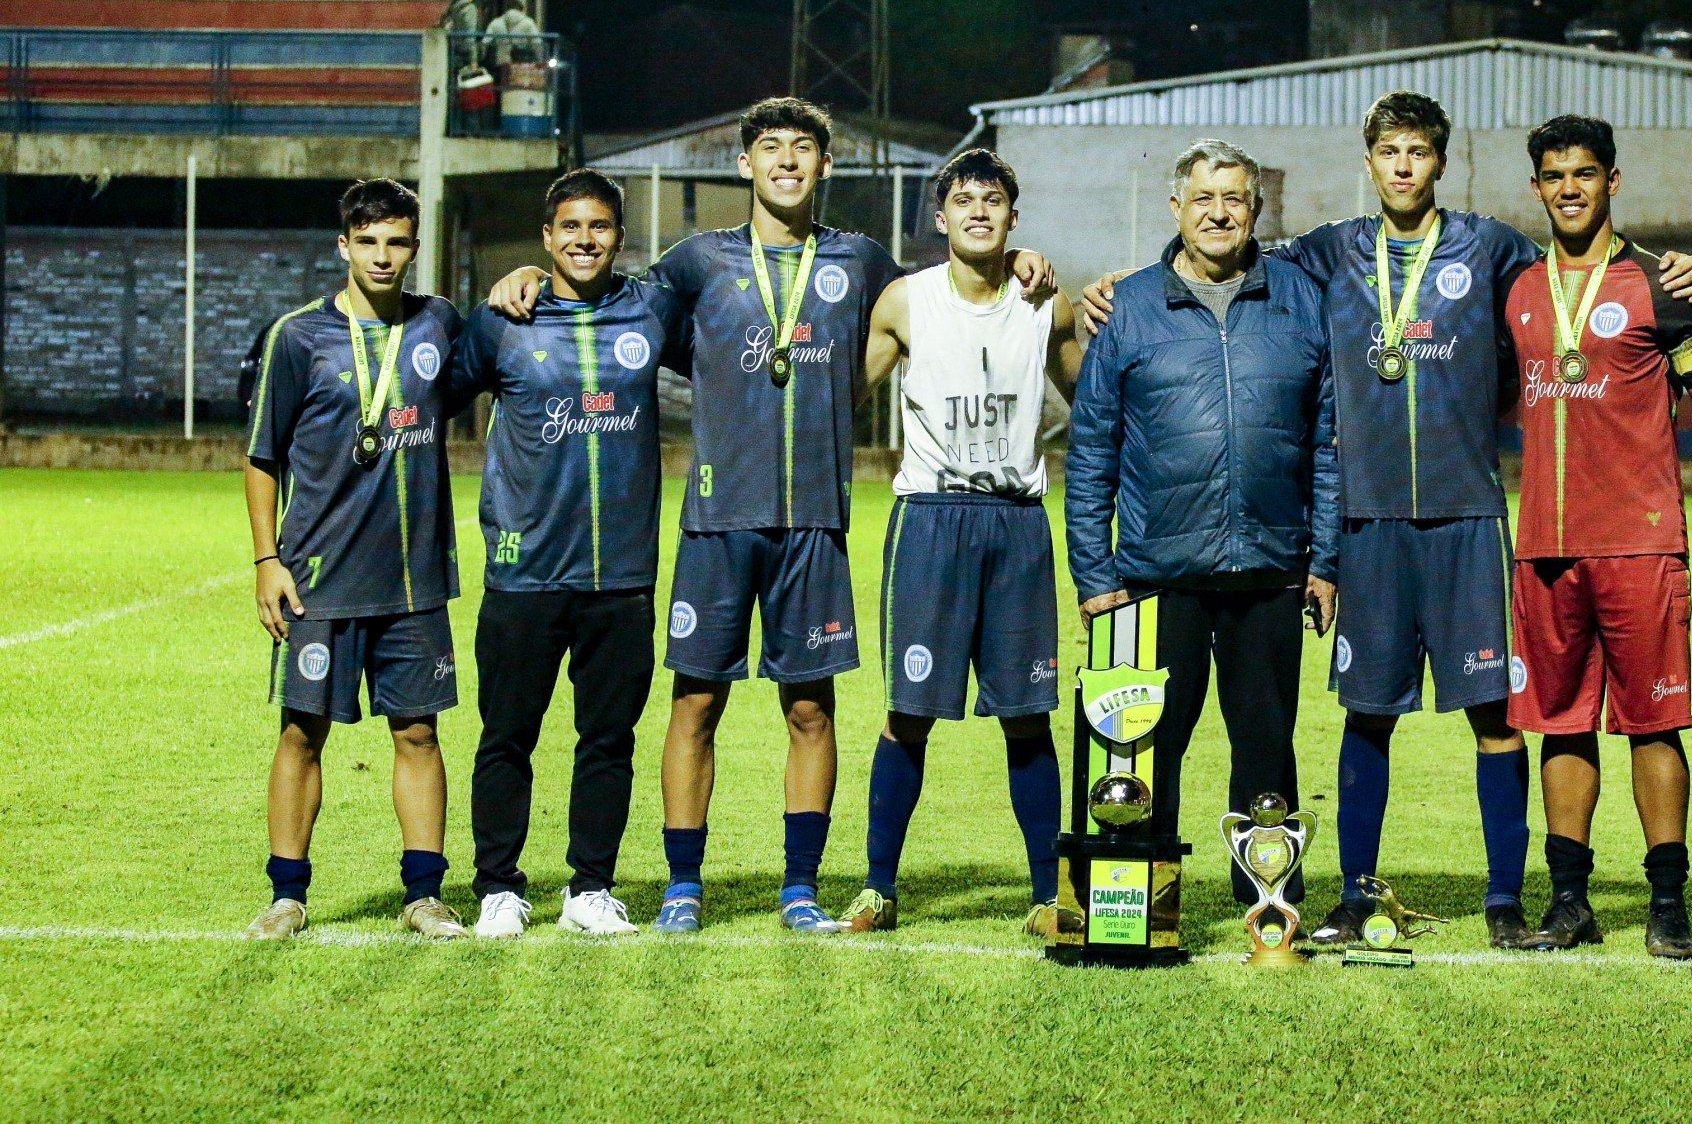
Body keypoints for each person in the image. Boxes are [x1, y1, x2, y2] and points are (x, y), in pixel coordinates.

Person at [1079, 92, 1692, 949]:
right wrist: (1122, 282)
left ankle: (1503, 898)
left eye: (1419, 151)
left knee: (1495, 718)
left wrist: (1670, 268)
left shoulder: (1491, 250)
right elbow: (1222, 252)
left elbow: (1581, 264)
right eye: (1389, 152)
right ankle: (1354, 893)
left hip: (1466, 517)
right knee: (1365, 714)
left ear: (1440, 161)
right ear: (1368, 162)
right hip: (1368, 526)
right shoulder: (1327, 253)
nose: (1404, 166)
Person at [485, 97, 1054, 935]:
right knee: (696, 705)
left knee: (810, 712)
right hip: (717, 520)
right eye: (770, 148)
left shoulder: (861, 263)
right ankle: (684, 883)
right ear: (744, 165)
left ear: (826, 168)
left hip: (814, 525)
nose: (787, 160)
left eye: (803, 149)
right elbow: (605, 294)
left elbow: (958, 285)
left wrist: (1022, 257)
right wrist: (530, 277)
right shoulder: (695, 262)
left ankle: (800, 887)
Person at [1502, 115, 1692, 960]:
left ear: (1613, 181)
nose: (1568, 188)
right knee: (1560, 725)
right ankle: (1570, 901)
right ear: (1536, 188)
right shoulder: (1518, 287)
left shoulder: (1662, 282)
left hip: (1641, 544)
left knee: (1654, 724)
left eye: (1584, 173)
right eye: (1553, 176)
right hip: (1544, 546)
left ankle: (1667, 902)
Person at [1064, 138, 1338, 905]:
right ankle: (1140, 901)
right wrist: (1094, 575)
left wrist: (1325, 561)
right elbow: (1091, 454)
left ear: (1257, 210)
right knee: (1144, 748)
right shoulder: (1129, 307)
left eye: (1236, 199)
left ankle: (1267, 899)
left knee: (1264, 745)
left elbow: (1325, 444)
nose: (1220, 212)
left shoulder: (1298, 299)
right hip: (1156, 575)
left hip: (1269, 568)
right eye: (1205, 198)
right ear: (1176, 207)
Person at [837, 148, 1085, 936]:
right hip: (931, 521)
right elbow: (838, 399)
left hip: (1016, 526)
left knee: (1028, 715)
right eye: (964, 200)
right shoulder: (905, 302)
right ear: (940, 218)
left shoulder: (1048, 303)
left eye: (994, 201)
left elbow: (1099, 399)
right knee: (908, 712)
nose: (979, 210)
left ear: (1014, 219)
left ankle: (1048, 896)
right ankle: (878, 888)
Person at [449, 169, 678, 939]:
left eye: (601, 227)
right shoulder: (503, 320)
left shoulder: (648, 308)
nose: (586, 240)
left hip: (621, 574)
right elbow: (433, 398)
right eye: (570, 228)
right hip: (524, 570)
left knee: (608, 738)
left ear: (620, 237)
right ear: (547, 239)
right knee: (506, 733)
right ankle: (498, 888)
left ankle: (589, 888)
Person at [242, 179, 466, 941]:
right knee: (302, 733)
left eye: (397, 241)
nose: (382, 255)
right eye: (367, 241)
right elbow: (261, 457)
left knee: (418, 734)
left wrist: (524, 280)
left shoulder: (439, 325)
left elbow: (503, 357)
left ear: (413, 247)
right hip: (318, 580)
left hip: (413, 580)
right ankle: (286, 895)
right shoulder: (297, 338)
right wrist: (267, 559)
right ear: (344, 246)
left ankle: (425, 895)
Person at [484, 0, 541, 67]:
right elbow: (537, 43)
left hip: (501, 63)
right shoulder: (528, 23)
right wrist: (538, 60)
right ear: (522, 11)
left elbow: (485, 42)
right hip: (521, 64)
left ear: (506, 10)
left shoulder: (496, 22)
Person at [442, 0, 482, 69]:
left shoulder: (455, 7)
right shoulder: (470, 8)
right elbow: (470, 33)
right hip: (466, 51)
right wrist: (474, 59)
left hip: (454, 48)